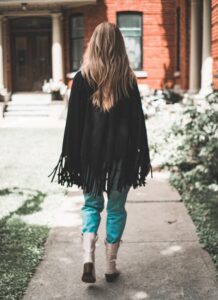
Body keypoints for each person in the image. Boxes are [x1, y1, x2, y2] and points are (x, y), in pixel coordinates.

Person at [48, 21, 152, 284]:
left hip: (90, 156)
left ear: (93, 43)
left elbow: (74, 124)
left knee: (91, 205)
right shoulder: (127, 78)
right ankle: (110, 265)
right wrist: (140, 155)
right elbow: (137, 122)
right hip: (121, 154)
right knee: (116, 208)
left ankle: (87, 259)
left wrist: (72, 156)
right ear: (119, 45)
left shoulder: (82, 78)